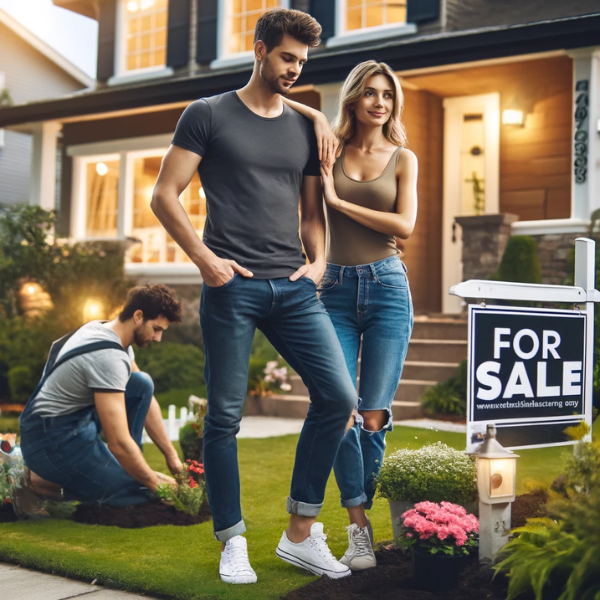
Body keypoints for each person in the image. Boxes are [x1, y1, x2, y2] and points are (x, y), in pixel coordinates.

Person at [150, 8, 357, 585]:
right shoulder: (207, 115)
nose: (295, 69)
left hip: (293, 287)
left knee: (338, 397)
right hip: (232, 287)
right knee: (224, 417)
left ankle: (299, 533)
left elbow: (312, 214)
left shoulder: (305, 127)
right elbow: (165, 195)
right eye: (287, 57)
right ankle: (232, 540)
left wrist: (318, 263)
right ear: (260, 50)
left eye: (303, 62)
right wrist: (206, 260)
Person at [288, 61, 418, 569]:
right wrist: (316, 262)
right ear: (352, 99)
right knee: (338, 410)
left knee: (372, 416)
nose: (379, 102)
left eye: (387, 94)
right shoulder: (328, 150)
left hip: (388, 286)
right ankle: (359, 526)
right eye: (369, 93)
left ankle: (362, 518)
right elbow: (309, 218)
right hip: (335, 289)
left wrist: (339, 200)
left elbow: (404, 225)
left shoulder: (402, 158)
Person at [17, 284, 184, 515]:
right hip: (50, 440)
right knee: (134, 492)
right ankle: (34, 482)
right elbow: (117, 442)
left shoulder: (107, 331)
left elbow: (144, 397)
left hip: (75, 424)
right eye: (156, 328)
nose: (158, 338)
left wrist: (171, 457)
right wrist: (155, 485)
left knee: (141, 383)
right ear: (138, 316)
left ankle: (125, 469)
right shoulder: (108, 357)